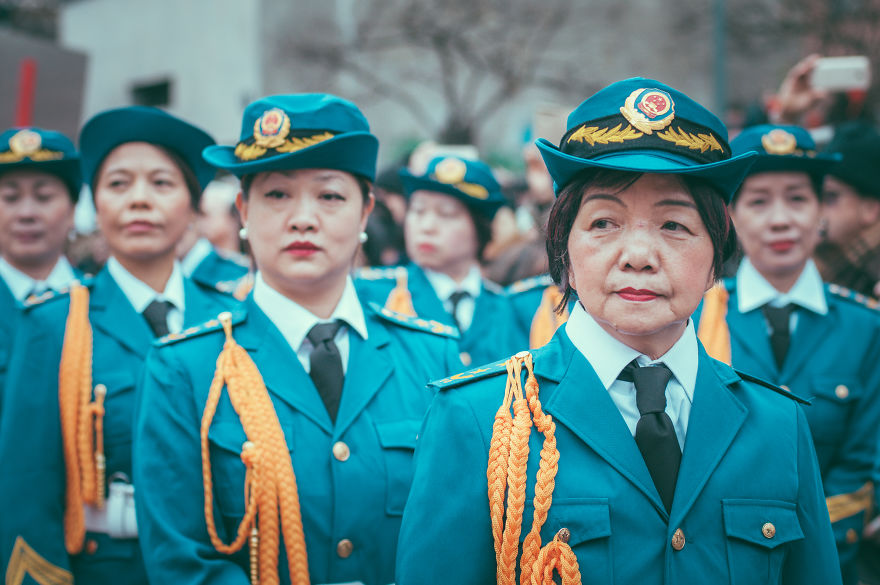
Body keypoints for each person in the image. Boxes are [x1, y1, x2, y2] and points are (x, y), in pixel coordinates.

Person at [396, 78, 841, 584]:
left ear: (716, 259)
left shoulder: (778, 424)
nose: (638, 257)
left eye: (674, 226)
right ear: (564, 251)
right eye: (604, 223)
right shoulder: (478, 420)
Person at [133, 94, 462, 585]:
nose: (303, 218)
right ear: (243, 211)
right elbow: (181, 561)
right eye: (277, 194)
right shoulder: (185, 369)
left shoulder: (432, 356)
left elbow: (457, 540)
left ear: (365, 212)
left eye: (330, 196)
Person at [0, 106, 241, 585]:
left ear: (193, 206)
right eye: (118, 184)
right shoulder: (54, 323)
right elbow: (27, 487)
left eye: (162, 183)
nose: (139, 200)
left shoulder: (232, 320)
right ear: (95, 206)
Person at [697, 123, 880, 585]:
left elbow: (861, 464)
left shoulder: (866, 327)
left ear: (821, 210)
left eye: (797, 199)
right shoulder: (695, 318)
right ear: (730, 216)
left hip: (834, 558)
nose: (780, 220)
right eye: (759, 202)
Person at [355, 155, 522, 366]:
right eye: (418, 210)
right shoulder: (371, 294)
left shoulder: (508, 307)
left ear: (480, 228)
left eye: (446, 214)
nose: (426, 227)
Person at [0, 127, 81, 400]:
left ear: (72, 211)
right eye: (10, 198)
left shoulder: (102, 303)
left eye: (44, 197)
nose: (26, 213)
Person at [813, 123, 880, 298]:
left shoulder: (870, 277)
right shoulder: (818, 262)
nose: (817, 208)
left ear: (870, 209)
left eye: (830, 197)